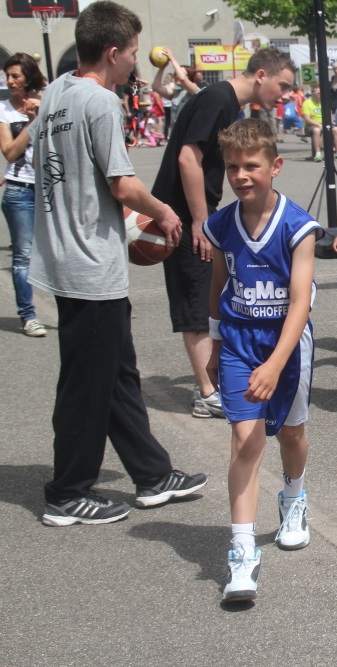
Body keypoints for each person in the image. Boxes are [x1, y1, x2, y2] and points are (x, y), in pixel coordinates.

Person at [30, 0, 206, 527]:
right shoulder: (101, 101)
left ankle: (152, 474)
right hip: (89, 264)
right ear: (112, 53)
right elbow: (122, 184)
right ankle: (67, 492)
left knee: (115, 374)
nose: (135, 60)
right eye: (132, 52)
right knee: (85, 385)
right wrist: (164, 212)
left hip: (67, 254)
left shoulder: (56, 93)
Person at [202, 118, 320, 601]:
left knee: (290, 433)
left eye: (251, 165)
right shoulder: (220, 225)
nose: (241, 175)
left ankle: (294, 496)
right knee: (246, 439)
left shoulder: (298, 226)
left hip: (286, 345)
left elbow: (300, 303)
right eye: (232, 167)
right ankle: (243, 551)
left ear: (275, 166)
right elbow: (218, 285)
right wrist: (214, 345)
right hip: (238, 341)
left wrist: (274, 364)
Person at [151, 48, 295, 419]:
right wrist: (201, 221)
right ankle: (207, 393)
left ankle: (211, 383)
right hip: (183, 215)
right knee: (198, 303)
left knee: (208, 296)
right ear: (261, 75)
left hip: (195, 213)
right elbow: (188, 157)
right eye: (283, 85)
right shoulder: (217, 99)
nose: (286, 94)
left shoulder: (227, 104)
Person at [0, 53, 46, 337]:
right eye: (7, 76)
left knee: (60, 252)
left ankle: (75, 310)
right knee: (24, 256)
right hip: (20, 192)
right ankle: (28, 316)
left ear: (28, 77)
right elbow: (10, 152)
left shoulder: (48, 102)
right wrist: (32, 123)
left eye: (15, 75)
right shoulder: (4, 110)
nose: (10, 81)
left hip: (49, 188)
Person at [302, 84, 337, 162]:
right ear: (313, 93)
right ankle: (317, 154)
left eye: (321, 93)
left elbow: (330, 116)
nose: (320, 95)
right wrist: (318, 124)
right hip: (311, 125)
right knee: (317, 130)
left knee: (336, 130)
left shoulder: (325, 103)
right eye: (318, 93)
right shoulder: (307, 103)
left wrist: (329, 124)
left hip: (325, 123)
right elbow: (307, 119)